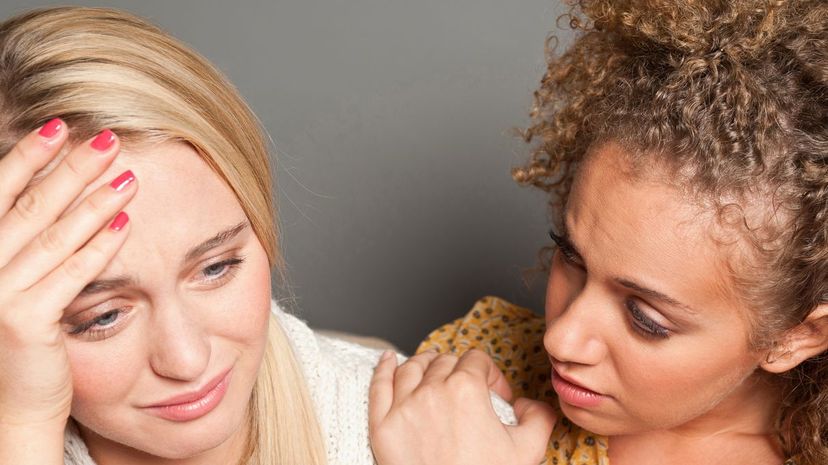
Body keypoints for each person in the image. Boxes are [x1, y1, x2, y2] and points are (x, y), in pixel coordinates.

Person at [369, 1, 828, 464]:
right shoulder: (484, 363)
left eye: (645, 318)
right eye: (570, 257)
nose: (560, 340)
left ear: (794, 337)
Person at [0, 6, 416, 465]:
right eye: (103, 316)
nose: (187, 361)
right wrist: (22, 426)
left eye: (217, 267)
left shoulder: (444, 438)